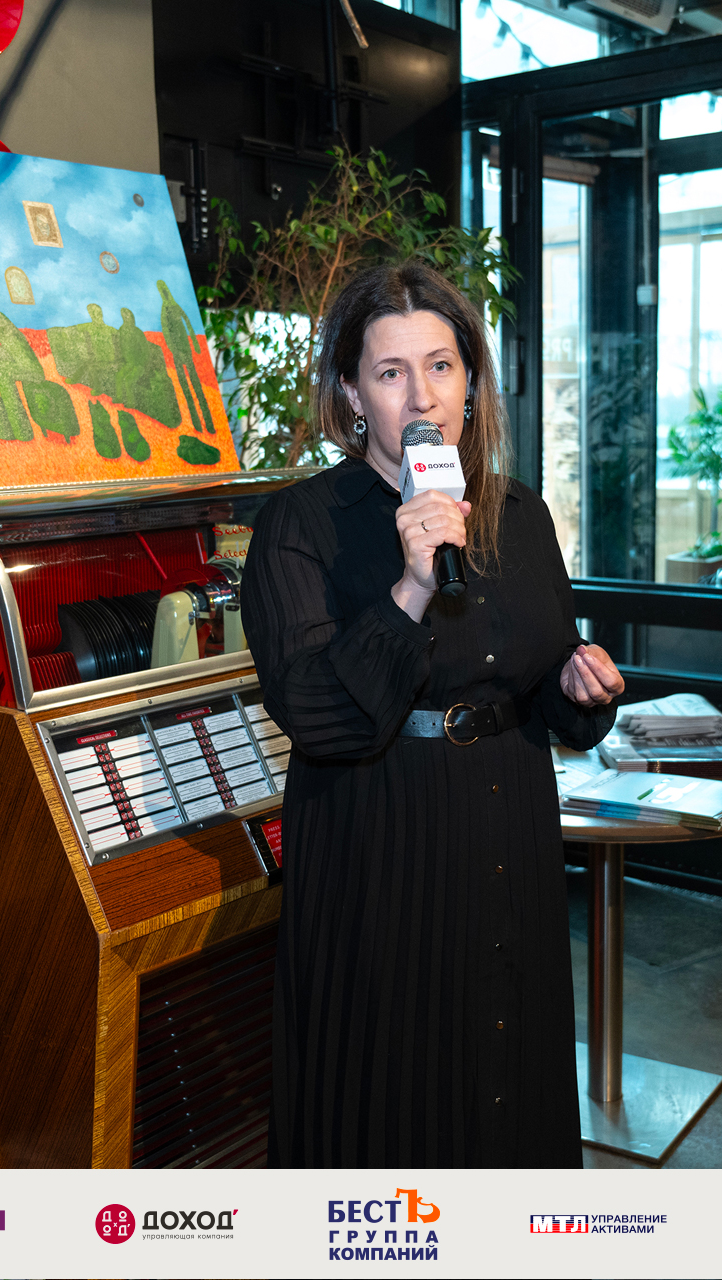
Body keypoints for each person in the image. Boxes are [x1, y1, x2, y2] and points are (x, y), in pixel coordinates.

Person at [243, 262, 626, 1168]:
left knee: (510, 1066)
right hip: (378, 841)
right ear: (351, 393)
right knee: (391, 1089)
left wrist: (582, 690)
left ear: (471, 381)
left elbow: (539, 677)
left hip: (510, 826)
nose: (422, 396)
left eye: (442, 366)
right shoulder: (299, 524)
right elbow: (318, 716)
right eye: (391, 372)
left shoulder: (518, 513)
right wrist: (412, 587)